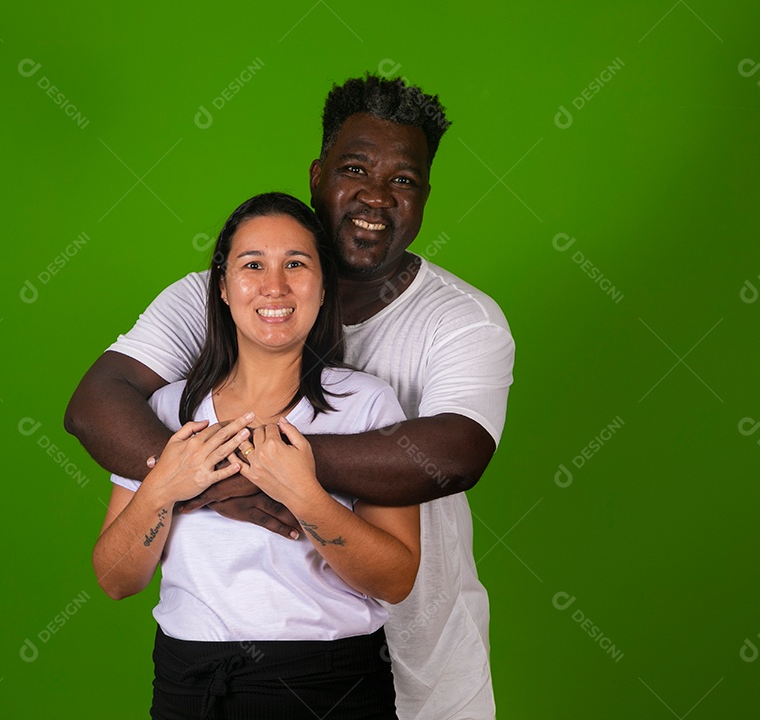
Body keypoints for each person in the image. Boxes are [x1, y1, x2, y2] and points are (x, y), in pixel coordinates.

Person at [67, 74, 515, 719]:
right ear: (317, 174)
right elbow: (96, 406)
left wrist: (281, 470)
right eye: (354, 168)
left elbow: (455, 454)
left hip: (415, 654)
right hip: (203, 676)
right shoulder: (208, 305)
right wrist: (201, 478)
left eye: (404, 180)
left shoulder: (457, 324)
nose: (375, 197)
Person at [93, 192, 419, 719]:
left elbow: (396, 579)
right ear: (222, 287)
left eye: (296, 264)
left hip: (329, 687)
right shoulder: (164, 409)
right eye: (252, 265)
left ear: (322, 286)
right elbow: (115, 581)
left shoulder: (368, 404)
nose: (275, 286)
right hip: (189, 685)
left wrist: (305, 495)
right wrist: (164, 487)